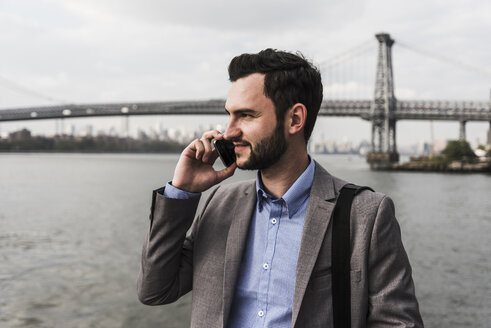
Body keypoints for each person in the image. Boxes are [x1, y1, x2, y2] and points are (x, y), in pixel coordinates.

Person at [137, 49, 423, 328]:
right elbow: (155, 290)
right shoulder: (220, 203)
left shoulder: (366, 215)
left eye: (246, 115)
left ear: (295, 119)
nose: (228, 132)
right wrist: (181, 191)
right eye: (230, 115)